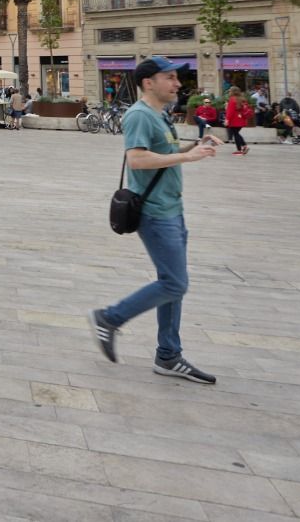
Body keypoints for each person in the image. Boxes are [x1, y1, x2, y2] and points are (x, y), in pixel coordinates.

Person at [89, 56, 222, 384]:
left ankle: (168, 355)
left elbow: (161, 155)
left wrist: (195, 146)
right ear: (149, 83)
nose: (177, 84)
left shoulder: (160, 115)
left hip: (172, 210)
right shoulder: (139, 115)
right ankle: (109, 318)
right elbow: (136, 160)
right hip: (155, 214)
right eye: (170, 78)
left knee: (171, 284)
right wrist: (187, 157)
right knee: (175, 283)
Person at [224, 88, 252, 156]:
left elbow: (230, 111)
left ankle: (241, 149)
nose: (229, 92)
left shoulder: (232, 99)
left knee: (236, 134)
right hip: (241, 119)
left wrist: (227, 119)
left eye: (230, 91)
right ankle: (243, 147)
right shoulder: (242, 99)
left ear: (232, 92)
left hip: (234, 119)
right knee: (236, 133)